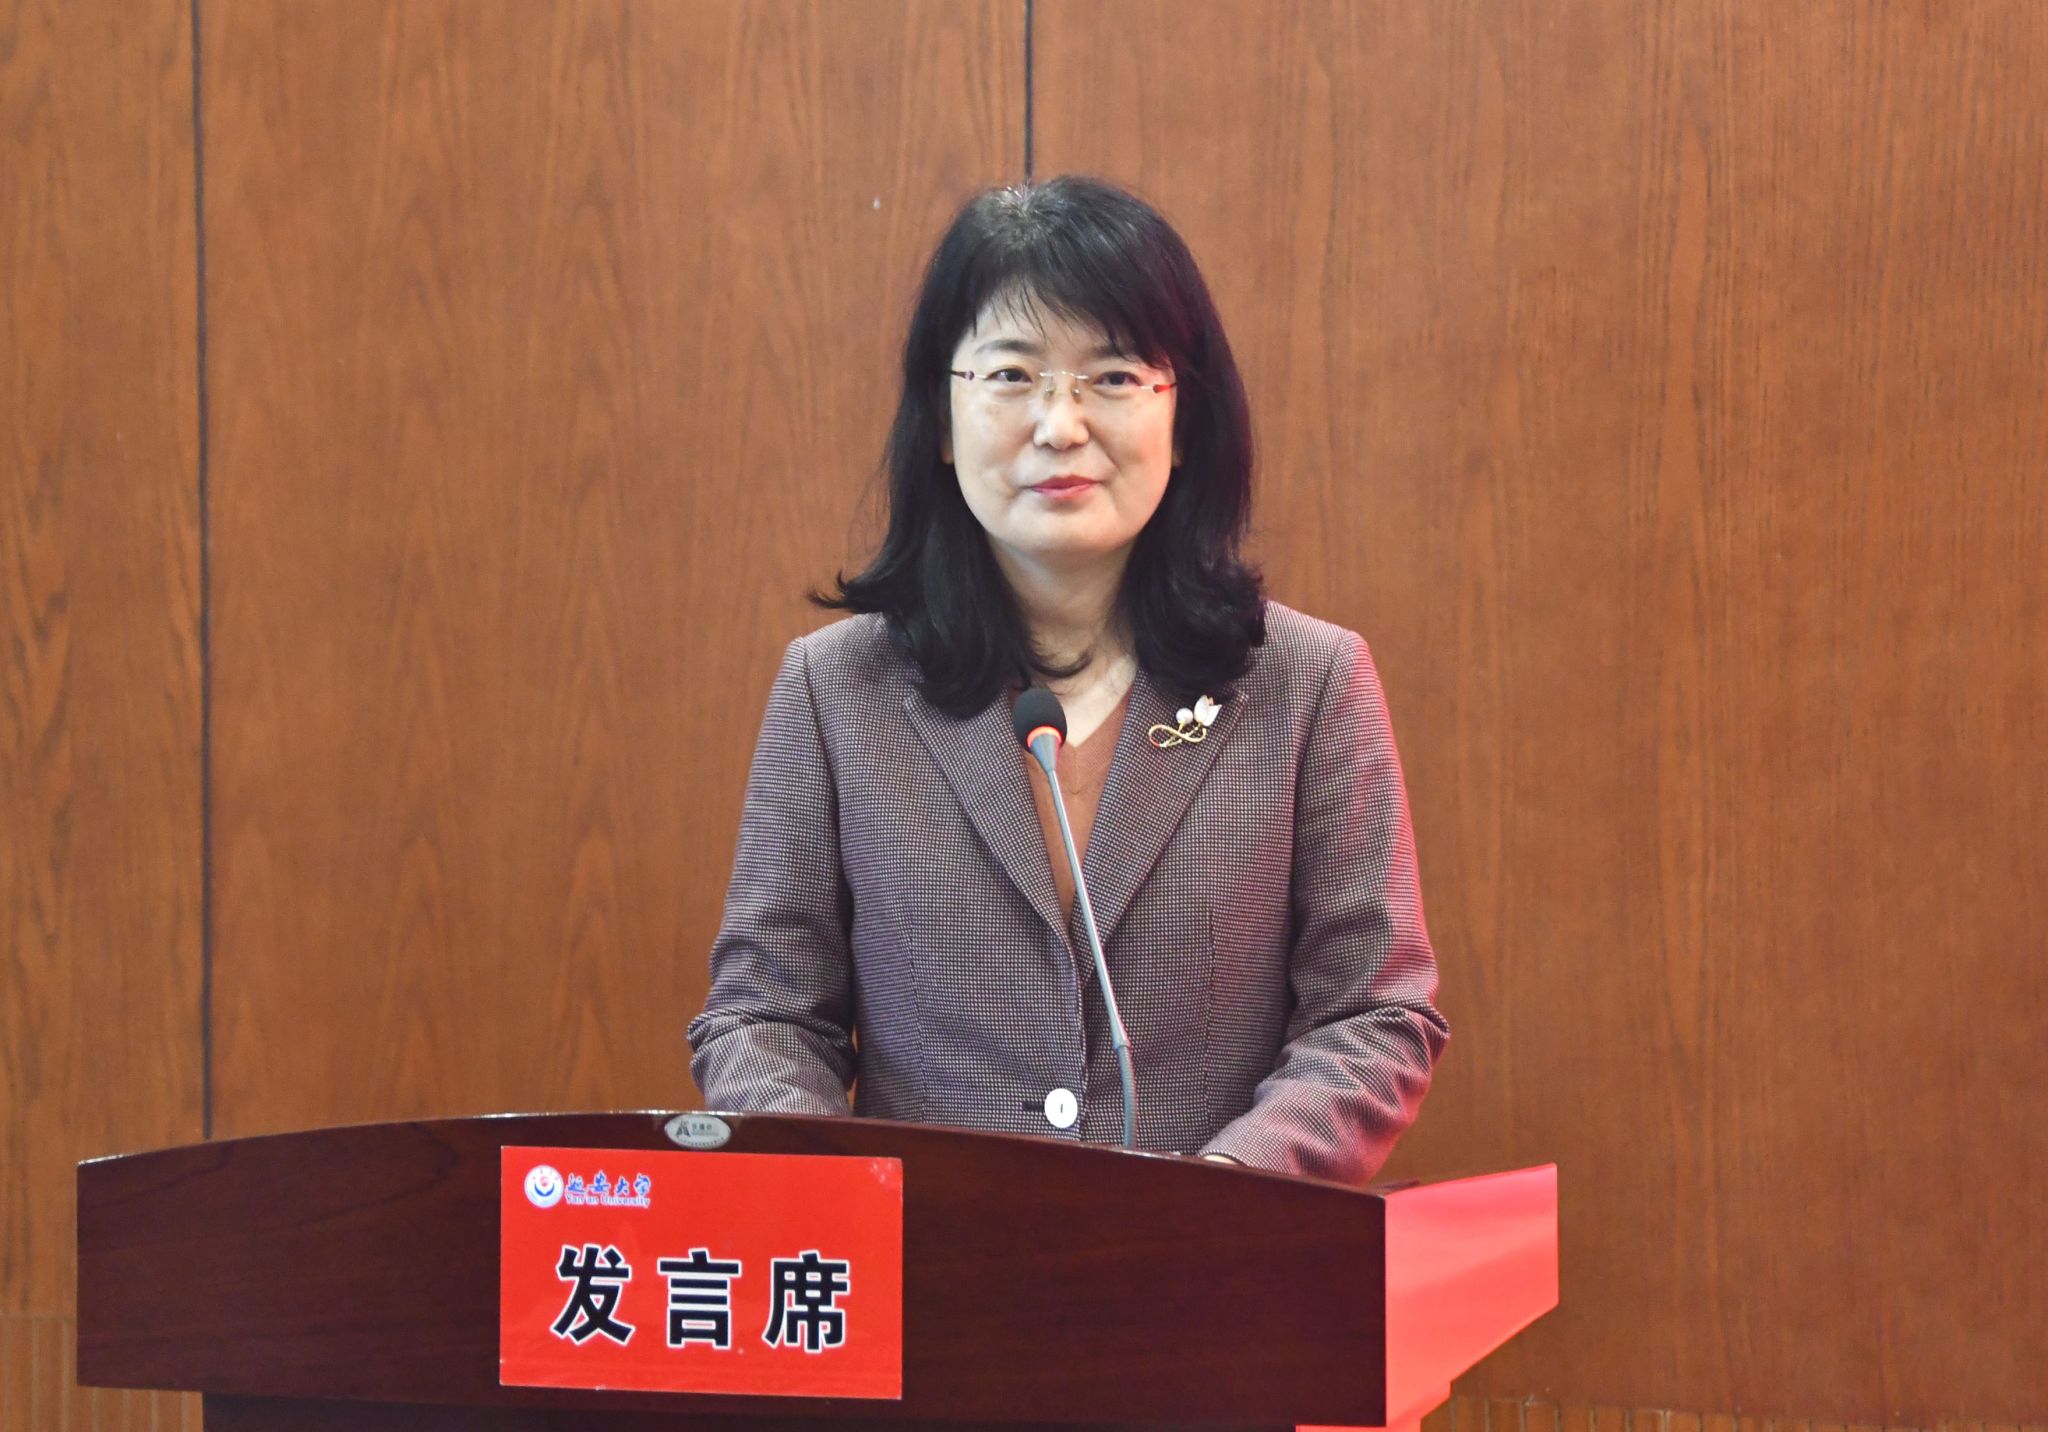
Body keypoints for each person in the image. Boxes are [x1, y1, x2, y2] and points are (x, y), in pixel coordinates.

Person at [687, 176, 1447, 1185]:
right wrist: (844, 1200)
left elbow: (1374, 1014)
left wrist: (1222, 1199)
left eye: (1113, 375)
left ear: (1183, 416)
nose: (1059, 424)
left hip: (1213, 1262)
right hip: (928, 1265)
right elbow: (763, 1018)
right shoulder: (836, 691)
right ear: (941, 417)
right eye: (1011, 374)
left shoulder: (1308, 685)